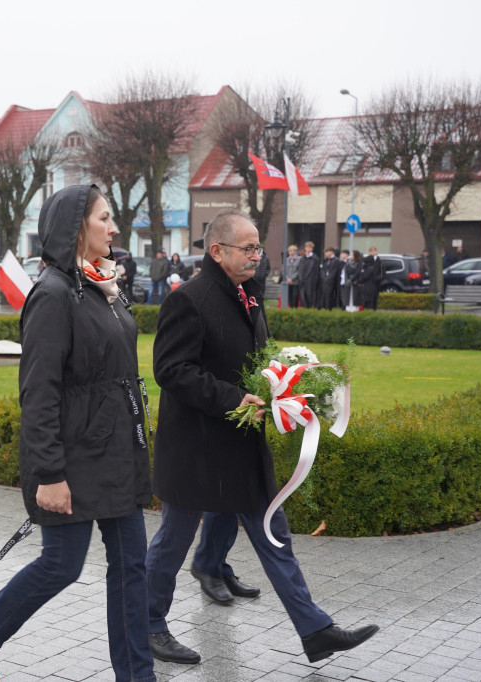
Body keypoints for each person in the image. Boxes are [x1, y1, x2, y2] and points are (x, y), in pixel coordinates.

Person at [144, 210, 379, 666]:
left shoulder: (248, 293)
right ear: (218, 251)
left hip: (240, 443)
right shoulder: (187, 299)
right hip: (195, 447)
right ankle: (148, 625)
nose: (258, 256)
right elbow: (170, 371)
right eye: (248, 248)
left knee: (274, 532)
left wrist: (285, 383)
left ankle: (315, 630)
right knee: (172, 540)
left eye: (258, 247)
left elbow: (251, 357)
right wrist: (233, 397)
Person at [0, 185, 155, 682]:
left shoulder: (102, 286)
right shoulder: (53, 294)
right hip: (72, 456)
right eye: (104, 219)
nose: (113, 228)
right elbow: (38, 392)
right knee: (63, 565)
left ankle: (137, 676)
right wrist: (49, 474)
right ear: (75, 228)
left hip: (117, 452)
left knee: (132, 567)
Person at [358, 246, 384, 310]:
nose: (372, 252)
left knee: (375, 298)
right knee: (367, 299)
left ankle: (374, 310)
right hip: (367, 283)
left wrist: (377, 279)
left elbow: (382, 273)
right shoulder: (367, 260)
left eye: (373, 251)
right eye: (370, 251)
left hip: (376, 283)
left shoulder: (380, 261)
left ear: (376, 251)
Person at [297, 241, 319, 308]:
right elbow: (300, 269)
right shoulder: (302, 258)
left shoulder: (315, 258)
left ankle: (310, 308)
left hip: (310, 280)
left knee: (310, 296)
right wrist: (301, 278)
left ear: (312, 249)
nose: (308, 249)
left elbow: (316, 271)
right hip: (302, 280)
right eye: (307, 247)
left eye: (310, 248)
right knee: (303, 296)